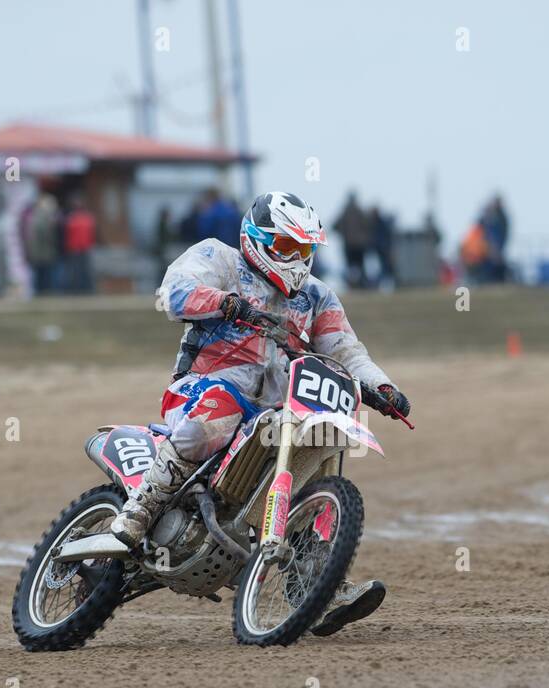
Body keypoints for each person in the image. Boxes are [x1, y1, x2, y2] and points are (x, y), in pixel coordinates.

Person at [108, 191, 412, 634]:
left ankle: (316, 581)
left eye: (303, 250)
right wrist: (223, 302)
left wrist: (383, 387)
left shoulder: (316, 297)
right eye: (286, 247)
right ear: (256, 238)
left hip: (276, 411)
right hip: (203, 389)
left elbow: (345, 349)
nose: (295, 259)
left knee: (326, 441)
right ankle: (140, 509)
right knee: (212, 420)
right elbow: (174, 290)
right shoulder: (220, 259)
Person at [24, 193, 61, 295]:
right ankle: (44, 295)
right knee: (45, 278)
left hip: (38, 253)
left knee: (40, 277)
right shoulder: (43, 218)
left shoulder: (34, 217)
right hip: (43, 253)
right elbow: (46, 236)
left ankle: (41, 294)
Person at [333, 192, 372, 288]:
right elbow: (368, 225)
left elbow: (335, 226)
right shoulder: (360, 211)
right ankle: (362, 285)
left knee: (350, 267)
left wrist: (343, 234)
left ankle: (352, 285)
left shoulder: (344, 212)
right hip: (359, 245)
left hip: (349, 245)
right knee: (361, 267)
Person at [62, 196, 98, 293]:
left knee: (75, 271)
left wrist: (67, 247)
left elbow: (66, 235)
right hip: (84, 248)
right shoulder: (88, 218)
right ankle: (87, 290)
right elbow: (93, 234)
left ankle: (76, 290)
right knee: (85, 270)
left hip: (75, 248)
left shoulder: (70, 219)